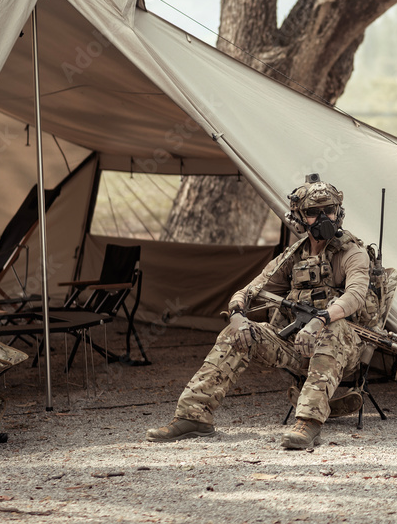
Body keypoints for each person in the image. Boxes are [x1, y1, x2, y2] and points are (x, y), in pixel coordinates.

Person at [146, 173, 373, 449]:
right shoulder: (294, 256)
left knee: (333, 328)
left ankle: (308, 423)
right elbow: (248, 291)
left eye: (330, 210)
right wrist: (238, 316)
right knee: (236, 334)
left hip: (341, 347)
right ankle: (194, 417)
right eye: (314, 212)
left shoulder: (352, 252)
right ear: (300, 217)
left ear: (340, 212)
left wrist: (320, 319)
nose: (324, 218)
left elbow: (355, 296)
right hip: (294, 344)